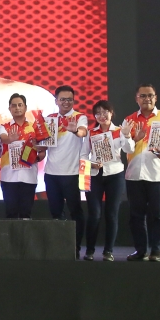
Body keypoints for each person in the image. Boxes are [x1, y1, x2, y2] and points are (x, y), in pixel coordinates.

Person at [124, 83, 160, 262]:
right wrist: (133, 138)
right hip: (134, 173)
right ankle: (141, 250)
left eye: (150, 95)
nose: (146, 99)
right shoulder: (129, 120)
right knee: (136, 216)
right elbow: (124, 146)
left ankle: (157, 251)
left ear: (155, 98)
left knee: (159, 214)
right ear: (137, 98)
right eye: (143, 96)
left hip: (158, 174)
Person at [41, 86, 89, 254]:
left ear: (73, 101)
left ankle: (75, 246)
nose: (66, 102)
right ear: (56, 101)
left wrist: (75, 129)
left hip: (72, 173)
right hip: (51, 173)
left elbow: (82, 132)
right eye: (63, 99)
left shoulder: (79, 117)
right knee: (55, 212)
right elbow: (43, 144)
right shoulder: (49, 119)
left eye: (69, 99)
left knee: (75, 211)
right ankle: (60, 246)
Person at [84, 101, 133, 261]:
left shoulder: (119, 131)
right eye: (98, 113)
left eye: (105, 112)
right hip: (95, 175)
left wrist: (126, 135)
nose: (102, 116)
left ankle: (108, 251)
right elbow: (83, 156)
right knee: (95, 214)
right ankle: (89, 250)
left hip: (115, 175)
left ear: (111, 113)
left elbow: (129, 150)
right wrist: (92, 163)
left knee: (111, 213)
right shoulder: (91, 133)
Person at [0, 93, 41, 219]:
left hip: (29, 176)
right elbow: (3, 139)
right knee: (10, 213)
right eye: (14, 106)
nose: (17, 108)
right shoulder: (3, 127)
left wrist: (37, 157)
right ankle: (11, 239)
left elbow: (42, 151)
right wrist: (10, 139)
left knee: (26, 213)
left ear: (25, 107)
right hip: (8, 177)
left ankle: (25, 239)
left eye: (20, 105)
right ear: (9, 109)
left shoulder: (35, 127)